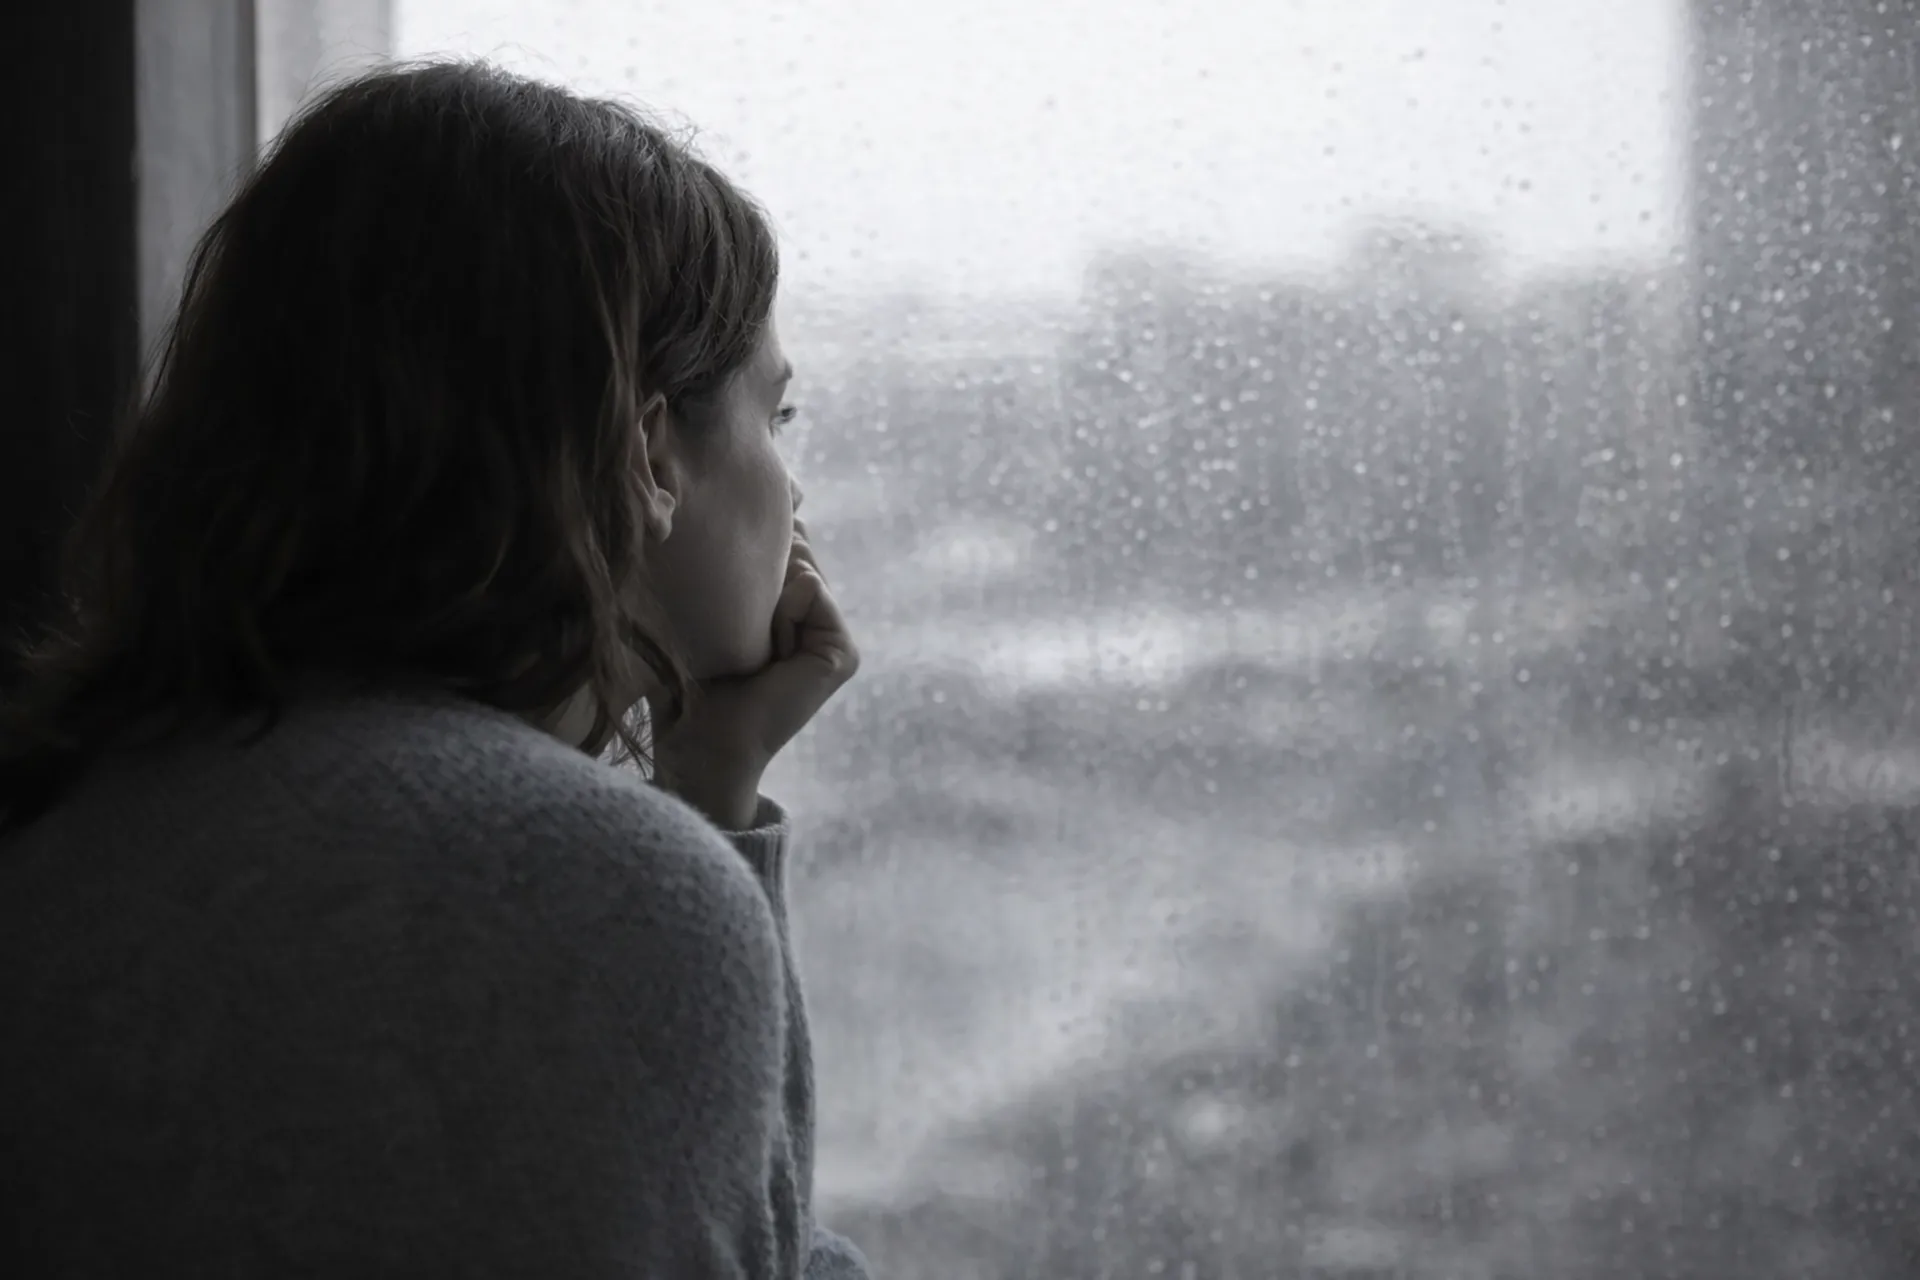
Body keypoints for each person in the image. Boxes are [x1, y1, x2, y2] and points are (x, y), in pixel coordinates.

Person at [0, 59, 872, 1279]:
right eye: (775, 417)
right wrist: (700, 850)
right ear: (648, 450)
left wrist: (710, 785)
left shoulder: (85, 816)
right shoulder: (598, 896)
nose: (794, 486)